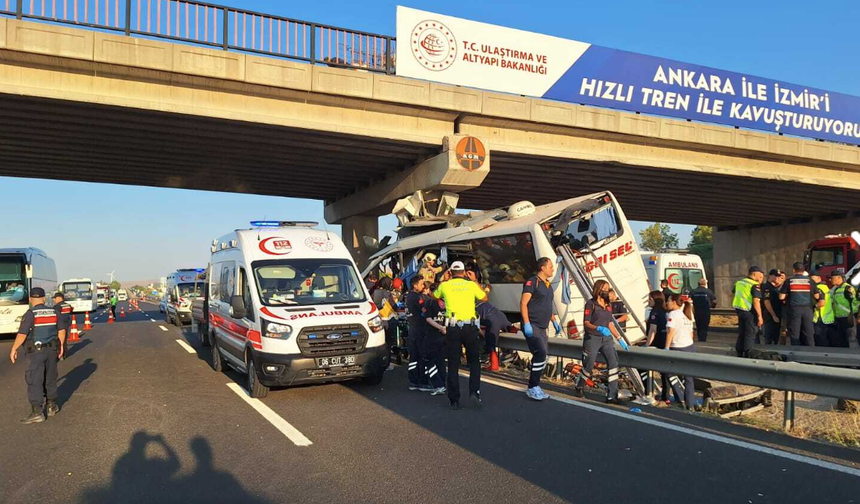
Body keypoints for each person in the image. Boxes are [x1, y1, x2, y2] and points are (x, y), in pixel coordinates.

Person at [433, 261, 488, 410]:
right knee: (474, 362)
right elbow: (484, 298)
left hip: (453, 327)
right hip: (469, 327)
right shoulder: (470, 285)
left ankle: (454, 400)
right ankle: (474, 393)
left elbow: (434, 295)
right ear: (464, 272)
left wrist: (442, 280)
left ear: (450, 272)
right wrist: (474, 280)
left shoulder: (445, 285)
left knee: (453, 363)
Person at [8, 287, 68, 424]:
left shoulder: (30, 314)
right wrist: (61, 347)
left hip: (36, 352)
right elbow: (62, 330)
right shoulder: (54, 312)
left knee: (35, 379)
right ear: (44, 298)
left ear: (30, 299)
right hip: (52, 350)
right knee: (50, 376)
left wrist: (14, 349)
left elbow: (22, 334)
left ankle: (37, 412)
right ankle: (52, 406)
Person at [574, 280, 625, 404]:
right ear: (598, 290)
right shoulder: (590, 304)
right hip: (593, 338)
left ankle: (611, 395)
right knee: (589, 366)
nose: (607, 291)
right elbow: (586, 323)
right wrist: (597, 328)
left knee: (613, 363)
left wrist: (618, 338)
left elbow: (610, 323)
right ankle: (580, 385)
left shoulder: (608, 305)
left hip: (606, 339)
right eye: (605, 289)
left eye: (608, 289)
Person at [520, 257, 562, 401]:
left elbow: (546, 305)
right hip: (532, 324)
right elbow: (524, 303)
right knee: (541, 353)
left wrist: (554, 321)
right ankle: (532, 387)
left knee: (542, 356)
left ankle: (535, 385)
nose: (552, 269)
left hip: (543, 326)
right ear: (543, 268)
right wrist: (526, 323)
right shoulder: (533, 282)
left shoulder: (548, 285)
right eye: (550, 266)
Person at [663, 294, 697, 410]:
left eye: (668, 300)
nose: (667, 303)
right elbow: (691, 333)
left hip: (677, 347)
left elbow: (670, 332)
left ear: (673, 302)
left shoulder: (673, 314)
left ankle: (680, 397)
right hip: (689, 346)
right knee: (688, 377)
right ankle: (690, 403)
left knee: (669, 372)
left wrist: (666, 348)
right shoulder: (687, 313)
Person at [780, 262, 819, 346]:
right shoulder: (810, 281)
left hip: (794, 309)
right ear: (804, 270)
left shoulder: (789, 281)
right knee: (809, 332)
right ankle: (811, 351)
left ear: (794, 270)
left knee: (795, 332)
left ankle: (796, 352)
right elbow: (817, 296)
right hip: (808, 309)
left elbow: (781, 297)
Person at [405, 276, 432, 392]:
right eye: (421, 284)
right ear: (415, 285)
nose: (423, 286)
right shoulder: (416, 297)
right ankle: (421, 381)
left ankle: (413, 380)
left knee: (414, 356)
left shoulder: (409, 296)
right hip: (418, 330)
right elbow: (426, 308)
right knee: (421, 356)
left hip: (413, 329)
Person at [732, 266, 764, 358]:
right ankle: (747, 352)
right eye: (760, 275)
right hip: (749, 311)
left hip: (739, 309)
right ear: (754, 274)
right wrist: (760, 316)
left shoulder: (739, 282)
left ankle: (739, 351)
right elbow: (756, 301)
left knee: (742, 331)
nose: (761, 276)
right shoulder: (754, 284)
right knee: (750, 333)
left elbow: (734, 293)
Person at [422, 283, 448, 396]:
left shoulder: (430, 302)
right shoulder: (447, 302)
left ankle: (437, 385)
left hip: (432, 336)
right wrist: (444, 328)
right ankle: (443, 383)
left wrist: (440, 327)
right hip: (444, 336)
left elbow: (428, 319)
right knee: (441, 361)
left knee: (430, 361)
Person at [645, 291, 670, 403]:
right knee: (664, 372)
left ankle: (648, 391)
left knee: (645, 366)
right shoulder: (665, 311)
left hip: (657, 343)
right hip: (665, 342)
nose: (648, 301)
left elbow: (652, 330)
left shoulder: (654, 312)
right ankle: (666, 395)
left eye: (649, 299)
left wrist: (647, 345)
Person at [476, 296, 512, 372]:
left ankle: (494, 365)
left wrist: (483, 334)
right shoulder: (485, 303)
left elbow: (476, 325)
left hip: (492, 321)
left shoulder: (472, 310)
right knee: (510, 329)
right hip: (502, 317)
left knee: (491, 344)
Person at [831, 269, 857, 348]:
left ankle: (853, 356)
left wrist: (853, 313)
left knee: (851, 339)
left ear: (839, 278)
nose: (831, 280)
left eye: (832, 278)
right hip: (839, 318)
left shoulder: (847, 288)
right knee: (842, 340)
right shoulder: (836, 289)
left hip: (848, 317)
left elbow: (855, 301)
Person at [810, 270, 835, 347]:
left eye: (812, 279)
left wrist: (814, 306)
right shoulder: (825, 287)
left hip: (820, 317)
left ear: (818, 278)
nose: (811, 281)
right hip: (827, 317)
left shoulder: (818, 288)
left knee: (820, 338)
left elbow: (821, 303)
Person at [689, 278, 717, 342]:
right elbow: (714, 301)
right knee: (705, 324)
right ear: (705, 284)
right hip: (706, 311)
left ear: (698, 284)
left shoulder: (693, 291)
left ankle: (699, 337)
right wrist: (713, 306)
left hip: (697, 310)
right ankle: (703, 338)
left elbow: (689, 299)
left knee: (698, 324)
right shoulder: (709, 291)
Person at [761, 269, 784, 345]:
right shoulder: (767, 287)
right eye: (776, 276)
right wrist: (773, 315)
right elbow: (767, 301)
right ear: (770, 276)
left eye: (779, 277)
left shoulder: (774, 287)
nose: (778, 278)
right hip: (769, 315)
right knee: (769, 335)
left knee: (776, 335)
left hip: (777, 314)